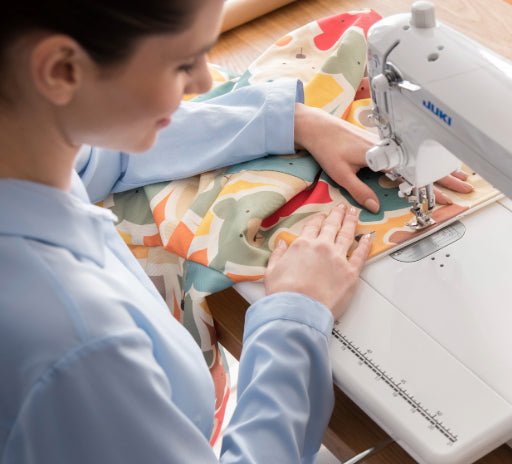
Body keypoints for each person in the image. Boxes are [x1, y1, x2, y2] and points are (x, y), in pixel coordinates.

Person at [0, 1, 471, 463]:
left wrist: (292, 120)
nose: (203, 81)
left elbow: (99, 156)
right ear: (61, 70)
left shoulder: (27, 155)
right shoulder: (80, 347)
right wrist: (293, 318)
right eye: (183, 62)